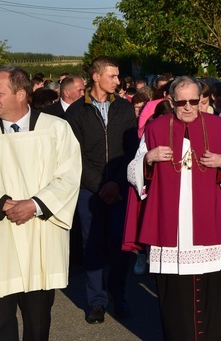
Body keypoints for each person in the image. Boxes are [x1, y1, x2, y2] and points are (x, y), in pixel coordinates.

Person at [123, 76, 221, 340]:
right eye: (182, 102)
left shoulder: (217, 126)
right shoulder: (155, 129)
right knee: (175, 301)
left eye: (195, 101)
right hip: (171, 231)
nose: (189, 107)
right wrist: (148, 157)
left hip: (209, 228)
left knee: (212, 297)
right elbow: (132, 171)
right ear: (171, 101)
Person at [0, 66, 82, 341]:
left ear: (21, 94)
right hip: (2, 235)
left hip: (41, 234)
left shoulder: (56, 128)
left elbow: (70, 176)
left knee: (37, 324)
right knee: (0, 322)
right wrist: (2, 203)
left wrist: (34, 204)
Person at [65, 56, 138, 324]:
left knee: (121, 245)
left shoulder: (124, 108)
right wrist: (100, 186)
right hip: (89, 190)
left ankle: (119, 295)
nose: (118, 81)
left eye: (118, 76)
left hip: (119, 187)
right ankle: (97, 301)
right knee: (92, 246)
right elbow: (74, 156)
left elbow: (131, 150)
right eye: (113, 76)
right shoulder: (76, 112)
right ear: (96, 77)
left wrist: (116, 183)